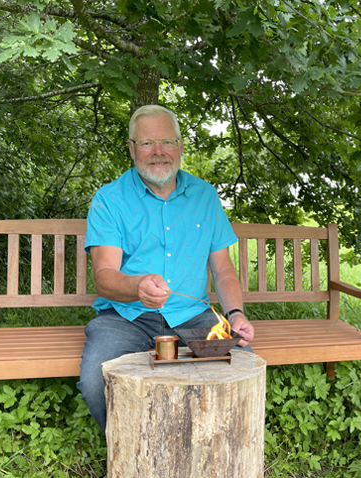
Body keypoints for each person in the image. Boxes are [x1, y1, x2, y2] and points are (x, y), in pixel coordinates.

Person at [77, 105, 254, 433]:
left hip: (194, 317)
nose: (158, 152)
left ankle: (204, 449)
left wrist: (236, 314)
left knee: (242, 367)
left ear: (181, 146)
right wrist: (137, 286)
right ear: (131, 148)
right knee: (93, 381)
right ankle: (129, 450)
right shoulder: (109, 200)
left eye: (167, 142)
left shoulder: (205, 196)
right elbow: (104, 277)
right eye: (146, 144)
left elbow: (224, 269)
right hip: (125, 317)